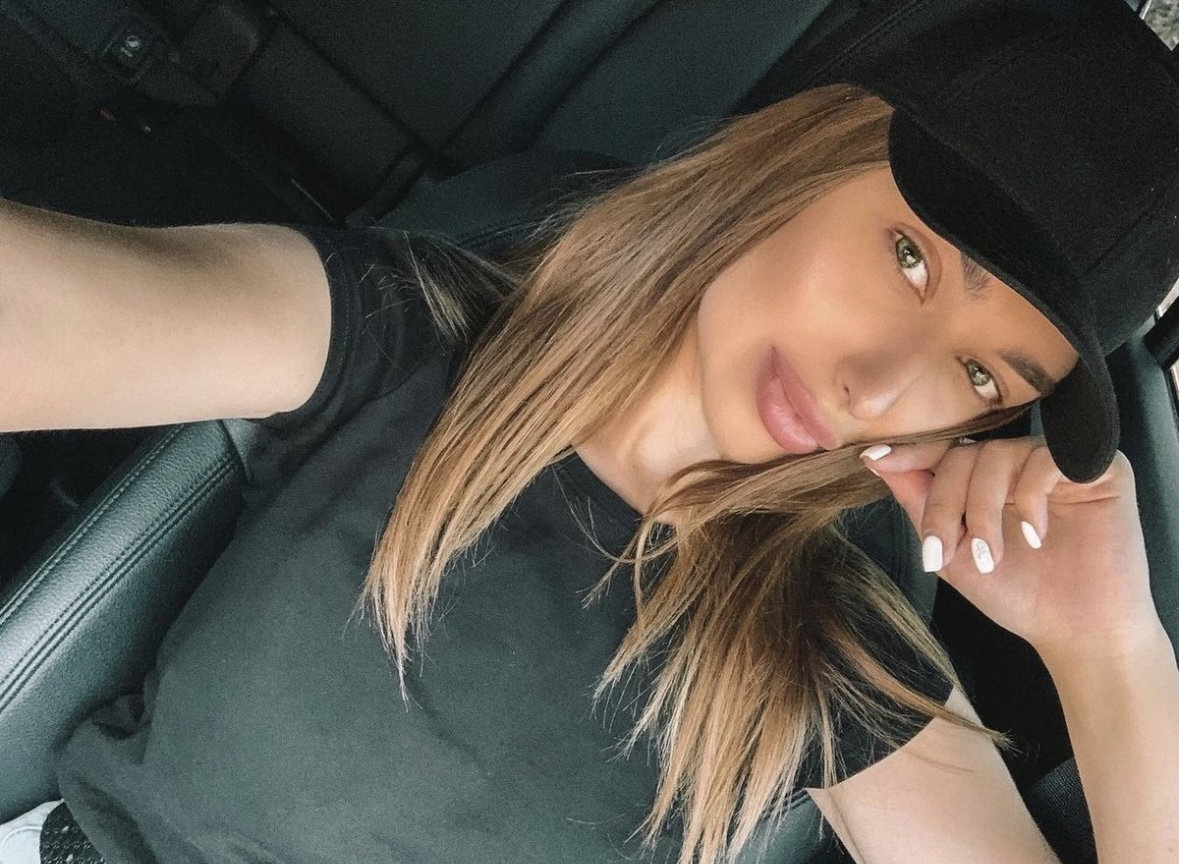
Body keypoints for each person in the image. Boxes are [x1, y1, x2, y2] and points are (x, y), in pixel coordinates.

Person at [0, 1, 1177, 863]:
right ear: (798, 152)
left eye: (977, 375)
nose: (878, 389)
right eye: (910, 258)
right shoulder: (405, 337)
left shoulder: (823, 649)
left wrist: (1113, 654)